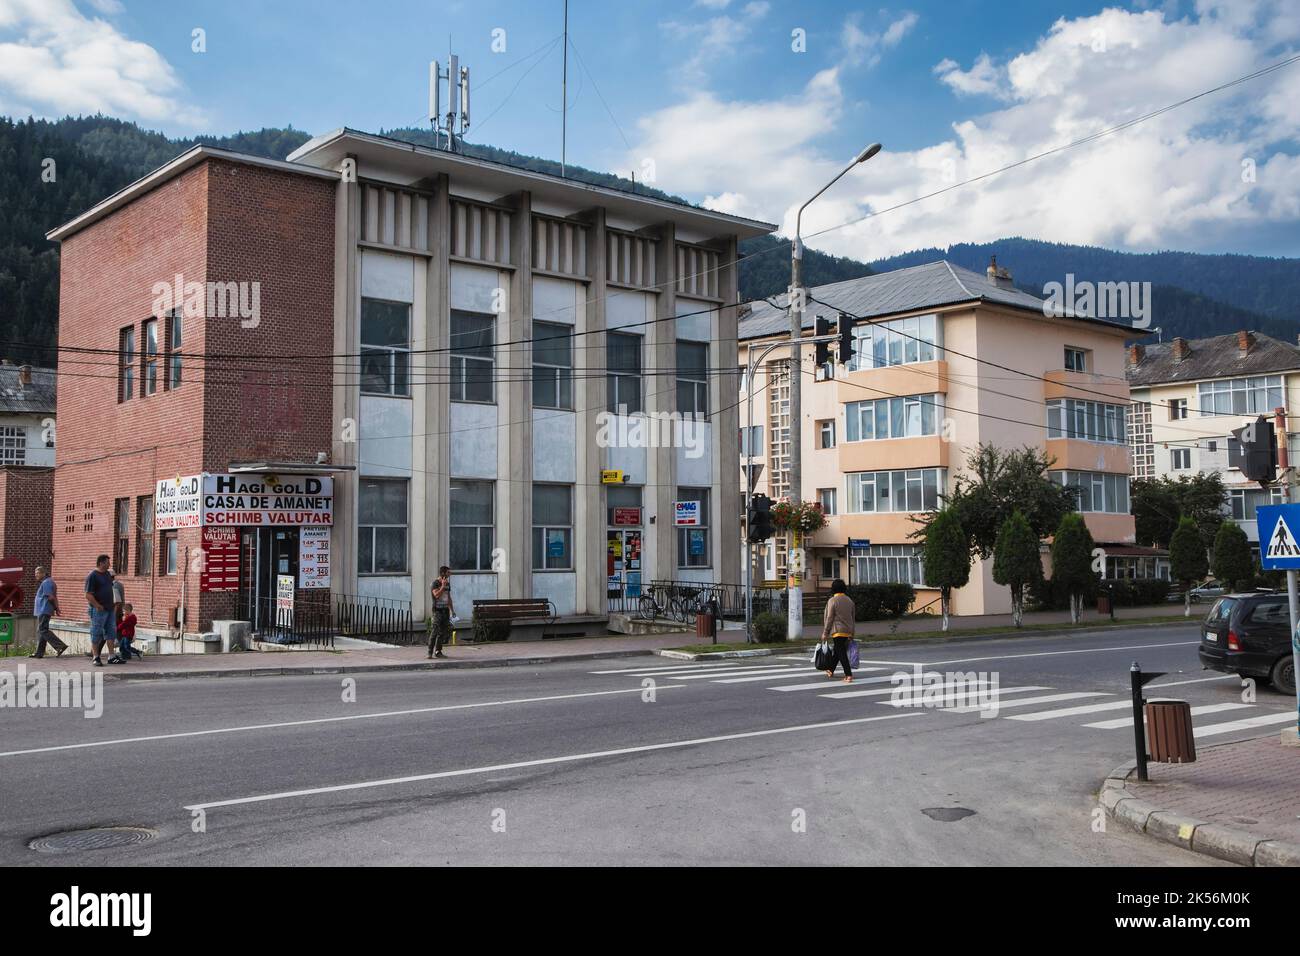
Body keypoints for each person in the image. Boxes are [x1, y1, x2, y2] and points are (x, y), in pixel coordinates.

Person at [821, 578, 856, 683]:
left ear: (833, 589)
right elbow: (853, 618)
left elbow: (829, 618)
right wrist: (852, 633)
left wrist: (825, 633)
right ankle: (830, 670)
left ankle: (848, 674)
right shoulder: (850, 601)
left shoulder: (832, 601)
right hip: (848, 630)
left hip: (837, 630)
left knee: (840, 652)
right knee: (838, 650)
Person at [84, 554, 115, 667]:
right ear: (101, 563)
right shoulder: (92, 575)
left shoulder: (107, 574)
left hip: (110, 608)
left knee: (111, 632)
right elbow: (88, 594)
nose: (109, 564)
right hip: (98, 610)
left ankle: (112, 656)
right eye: (107, 562)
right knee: (96, 632)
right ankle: (96, 657)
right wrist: (97, 605)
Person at [30, 566, 67, 658]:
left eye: (37, 573)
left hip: (44, 609)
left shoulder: (47, 583)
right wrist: (56, 608)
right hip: (44, 609)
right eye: (35, 573)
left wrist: (55, 607)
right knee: (42, 630)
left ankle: (60, 646)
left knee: (43, 630)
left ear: (43, 573)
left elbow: (50, 597)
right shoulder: (48, 582)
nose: (36, 575)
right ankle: (39, 653)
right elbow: (54, 597)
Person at [428, 566, 455, 659]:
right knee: (434, 631)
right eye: (448, 572)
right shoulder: (435, 583)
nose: (450, 574)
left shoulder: (448, 584)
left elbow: (448, 597)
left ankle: (438, 651)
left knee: (442, 633)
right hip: (437, 611)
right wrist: (442, 586)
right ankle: (429, 652)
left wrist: (452, 610)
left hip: (445, 611)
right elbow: (436, 595)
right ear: (443, 573)